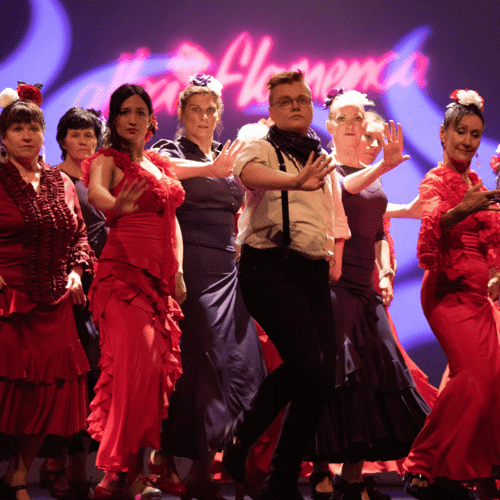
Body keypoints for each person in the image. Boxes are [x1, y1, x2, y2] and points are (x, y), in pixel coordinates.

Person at [222, 70, 349, 500]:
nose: (296, 106)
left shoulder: (318, 153)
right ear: (272, 110)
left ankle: (281, 481)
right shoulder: (260, 142)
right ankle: (242, 433)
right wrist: (293, 181)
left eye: (302, 99)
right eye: (285, 101)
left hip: (311, 271)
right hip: (270, 267)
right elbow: (247, 173)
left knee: (320, 379)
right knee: (306, 364)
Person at [149, 74, 266, 500]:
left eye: (211, 109)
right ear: (181, 114)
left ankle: (212, 467)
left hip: (230, 268)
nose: (203, 116)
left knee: (241, 365)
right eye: (195, 109)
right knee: (203, 364)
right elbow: (160, 172)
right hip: (193, 265)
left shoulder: (225, 154)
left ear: (219, 115)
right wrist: (209, 170)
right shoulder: (170, 151)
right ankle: (180, 461)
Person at [309, 89, 430, 500]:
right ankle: (321, 468)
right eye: (342, 118)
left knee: (378, 373)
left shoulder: (370, 173)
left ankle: (352, 476)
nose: (350, 124)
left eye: (357, 117)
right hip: (333, 283)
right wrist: (382, 165)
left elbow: (376, 225)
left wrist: (386, 271)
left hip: (366, 287)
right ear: (330, 125)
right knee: (337, 376)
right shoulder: (324, 165)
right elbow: (344, 188)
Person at [83, 84, 186, 500]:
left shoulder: (159, 164)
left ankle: (128, 474)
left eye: (140, 111)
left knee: (152, 374)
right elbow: (96, 192)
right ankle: (121, 472)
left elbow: (172, 218)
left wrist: (179, 271)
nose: (132, 118)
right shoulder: (107, 159)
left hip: (159, 282)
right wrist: (115, 206)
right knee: (134, 366)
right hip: (122, 277)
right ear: (114, 118)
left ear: (151, 119)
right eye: (124, 111)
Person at [402, 90, 500, 500]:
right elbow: (432, 224)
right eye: (461, 131)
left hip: (478, 297)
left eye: (475, 134)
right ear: (443, 134)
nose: (468, 141)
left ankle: (469, 469)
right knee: (472, 378)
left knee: (490, 382)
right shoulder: (436, 180)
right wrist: (463, 209)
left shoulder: (476, 182)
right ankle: (421, 463)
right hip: (448, 292)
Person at [0, 84, 94, 500]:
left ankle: (18, 475)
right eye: (17, 128)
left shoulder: (60, 181)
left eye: (33, 128)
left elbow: (79, 235)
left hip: (55, 302)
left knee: (45, 395)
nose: (27, 135)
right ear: (3, 138)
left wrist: (76, 271)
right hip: (9, 301)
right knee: (8, 392)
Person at [36, 107, 107, 500]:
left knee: (95, 378)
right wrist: (72, 273)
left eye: (90, 135)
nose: (84, 141)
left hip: (106, 284)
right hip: (69, 286)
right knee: (71, 376)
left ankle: (74, 463)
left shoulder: (103, 176)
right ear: (62, 139)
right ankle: (58, 461)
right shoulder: (53, 179)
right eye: (76, 134)